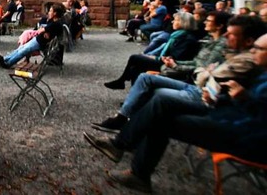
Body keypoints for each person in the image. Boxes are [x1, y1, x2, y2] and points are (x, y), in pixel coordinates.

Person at [83, 23, 267, 193]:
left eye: (258, 48)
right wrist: (228, 98)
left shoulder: (247, 62)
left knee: (162, 108)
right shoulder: (252, 66)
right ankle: (130, 159)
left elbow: (255, 113)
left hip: (246, 135)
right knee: (160, 106)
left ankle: (126, 152)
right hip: (228, 115)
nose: (253, 51)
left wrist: (244, 98)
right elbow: (213, 79)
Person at [91, 11, 232, 133]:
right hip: (183, 72)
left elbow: (200, 68)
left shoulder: (211, 44)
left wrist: (173, 65)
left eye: (209, 20)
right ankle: (125, 117)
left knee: (142, 71)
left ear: (219, 26)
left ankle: (125, 118)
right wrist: (171, 62)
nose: (204, 22)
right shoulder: (208, 40)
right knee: (140, 69)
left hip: (194, 83)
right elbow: (195, 63)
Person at [104, 12, 200, 89]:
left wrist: (155, 57)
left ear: (183, 22)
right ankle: (134, 96)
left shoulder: (187, 39)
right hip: (164, 61)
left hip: (170, 66)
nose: (172, 22)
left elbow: (175, 57)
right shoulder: (177, 35)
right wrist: (152, 56)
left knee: (135, 58)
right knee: (135, 68)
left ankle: (121, 82)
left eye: (175, 20)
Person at [0, 4, 64, 68]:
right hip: (38, 40)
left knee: (23, 51)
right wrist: (44, 30)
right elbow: (41, 29)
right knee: (20, 49)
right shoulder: (53, 21)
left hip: (40, 43)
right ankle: (5, 59)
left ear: (55, 13)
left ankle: (8, 63)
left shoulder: (56, 24)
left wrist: (44, 30)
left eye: (50, 11)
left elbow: (40, 30)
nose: (49, 12)